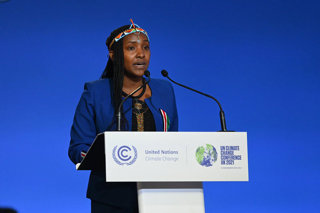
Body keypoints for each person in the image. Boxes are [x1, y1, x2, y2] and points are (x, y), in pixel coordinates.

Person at [68, 20, 178, 213]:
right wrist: (98, 157)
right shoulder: (95, 92)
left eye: (146, 47)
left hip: (161, 195)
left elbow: (174, 140)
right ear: (114, 55)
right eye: (131, 48)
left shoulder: (165, 89)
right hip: (112, 198)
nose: (141, 54)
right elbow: (78, 146)